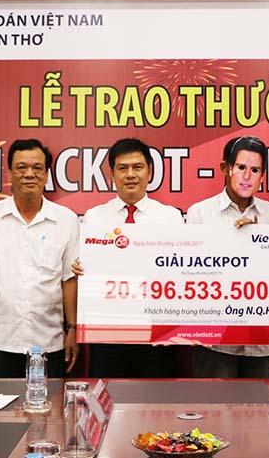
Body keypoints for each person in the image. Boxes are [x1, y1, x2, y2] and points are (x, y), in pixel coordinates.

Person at [0, 138, 80, 377]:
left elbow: (69, 279)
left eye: (37, 168)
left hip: (50, 342)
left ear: (46, 174)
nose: (29, 174)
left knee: (49, 402)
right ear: (10, 173)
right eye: (21, 167)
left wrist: (73, 329)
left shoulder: (66, 219)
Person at [81, 138, 184, 377]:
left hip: (156, 334)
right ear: (112, 174)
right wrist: (82, 269)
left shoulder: (170, 217)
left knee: (155, 398)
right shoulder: (94, 217)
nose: (130, 175)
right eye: (122, 168)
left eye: (137, 167)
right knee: (106, 396)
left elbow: (178, 271)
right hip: (107, 332)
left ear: (150, 172)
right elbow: (88, 270)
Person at [186, 136, 269, 378]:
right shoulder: (200, 213)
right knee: (215, 401)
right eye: (241, 167)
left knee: (260, 402)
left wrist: (260, 239)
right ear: (226, 168)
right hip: (216, 341)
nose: (247, 176)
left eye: (255, 170)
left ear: (263, 175)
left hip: (262, 340)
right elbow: (190, 271)